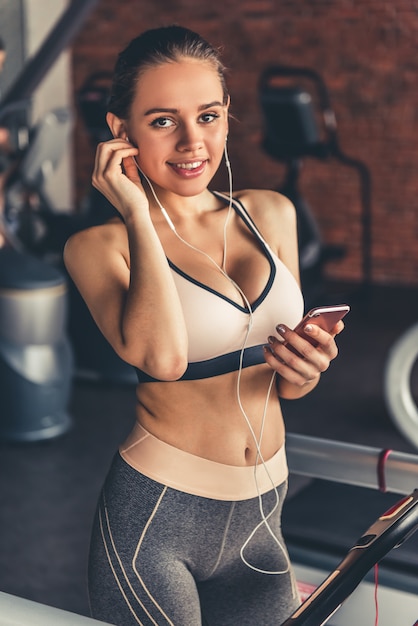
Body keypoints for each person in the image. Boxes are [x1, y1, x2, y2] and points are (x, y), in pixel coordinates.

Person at [64, 25, 344, 626]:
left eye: (209, 116)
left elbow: (288, 387)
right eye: (163, 121)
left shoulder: (271, 212)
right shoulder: (98, 246)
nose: (194, 142)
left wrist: (308, 368)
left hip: (264, 516)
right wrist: (137, 211)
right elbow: (161, 359)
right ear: (121, 131)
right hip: (158, 520)